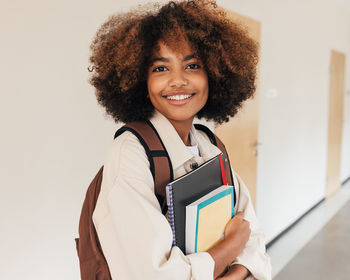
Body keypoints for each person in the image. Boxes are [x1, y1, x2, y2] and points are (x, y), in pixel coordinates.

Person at [89, 0, 271, 279]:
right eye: (161, 68)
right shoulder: (130, 153)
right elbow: (156, 274)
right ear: (141, 80)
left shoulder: (210, 146)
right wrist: (232, 245)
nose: (178, 81)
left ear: (214, 74)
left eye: (192, 65)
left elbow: (253, 234)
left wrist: (237, 262)